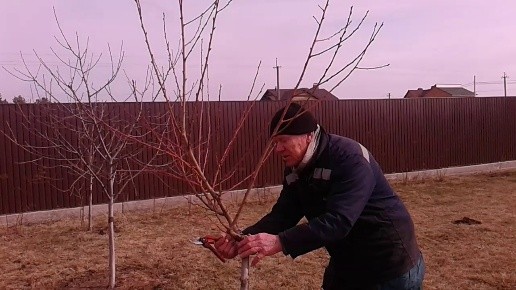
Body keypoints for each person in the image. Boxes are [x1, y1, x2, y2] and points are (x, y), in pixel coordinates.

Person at [215, 103, 425, 290]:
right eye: (274, 142)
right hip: (347, 262)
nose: (277, 149)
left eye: (282, 141)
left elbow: (339, 221)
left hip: (387, 263)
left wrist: (280, 242)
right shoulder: (295, 169)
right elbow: (283, 215)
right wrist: (242, 240)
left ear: (308, 136)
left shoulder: (349, 158)